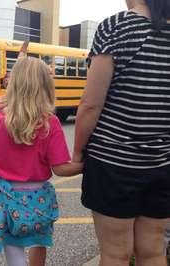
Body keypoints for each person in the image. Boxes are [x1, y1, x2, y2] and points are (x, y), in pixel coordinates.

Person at [73, 0, 170, 265]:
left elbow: (91, 104)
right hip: (162, 164)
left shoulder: (117, 26)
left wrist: (78, 152)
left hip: (112, 163)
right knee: (153, 250)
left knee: (116, 253)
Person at [0, 57, 83, 266]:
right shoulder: (50, 123)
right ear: (46, 87)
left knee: (13, 248)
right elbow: (60, 168)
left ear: (13, 85)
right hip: (38, 198)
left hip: (4, 196)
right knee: (39, 242)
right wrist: (85, 165)